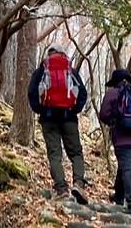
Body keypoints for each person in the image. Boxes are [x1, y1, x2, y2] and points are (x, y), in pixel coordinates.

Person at [28, 46, 89, 203]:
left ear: (48, 54)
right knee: (75, 152)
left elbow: (32, 92)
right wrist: (74, 109)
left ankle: (61, 188)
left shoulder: (42, 70)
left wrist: (40, 109)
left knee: (55, 154)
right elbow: (82, 93)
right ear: (63, 54)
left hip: (48, 118)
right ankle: (78, 184)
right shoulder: (70, 70)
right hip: (68, 117)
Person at [99, 68, 131, 214]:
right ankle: (119, 196)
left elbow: (103, 114)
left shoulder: (113, 93)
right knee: (125, 166)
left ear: (116, 82)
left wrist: (114, 121)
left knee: (127, 168)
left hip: (123, 138)